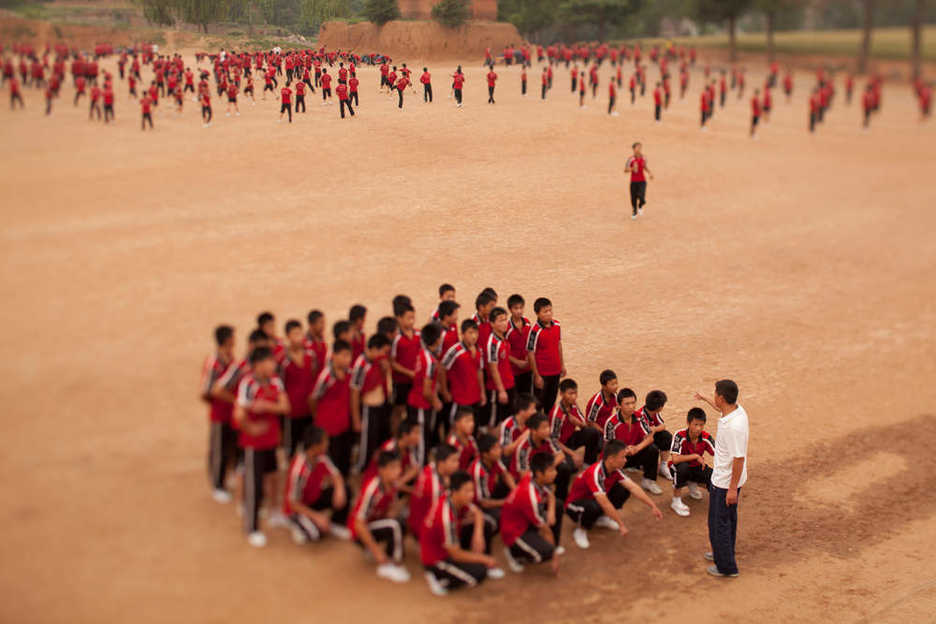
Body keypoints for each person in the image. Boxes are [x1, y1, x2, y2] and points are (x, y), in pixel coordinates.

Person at [234, 346, 290, 547]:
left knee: (274, 476)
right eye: (270, 361)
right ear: (259, 364)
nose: (274, 364)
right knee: (254, 485)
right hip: (253, 445)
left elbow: (285, 407)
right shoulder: (247, 384)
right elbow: (238, 414)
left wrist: (266, 406)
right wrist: (251, 428)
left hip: (271, 440)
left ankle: (275, 512)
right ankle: (252, 527)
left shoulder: (275, 381)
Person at [565, 440, 663, 549]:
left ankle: (601, 518)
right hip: (574, 505)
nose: (625, 460)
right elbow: (605, 503)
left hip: (594, 499)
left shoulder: (616, 470)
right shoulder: (595, 473)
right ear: (611, 459)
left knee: (623, 490)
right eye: (623, 457)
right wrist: (621, 524)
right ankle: (581, 529)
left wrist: (652, 506)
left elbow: (633, 487)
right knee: (594, 507)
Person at [694, 379, 748, 578]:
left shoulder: (733, 427)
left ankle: (726, 566)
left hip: (725, 482)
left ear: (722, 397)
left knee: (719, 522)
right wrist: (705, 398)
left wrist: (732, 489)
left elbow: (739, 458)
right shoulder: (737, 411)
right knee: (727, 519)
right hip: (729, 480)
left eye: (715, 393)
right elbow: (721, 409)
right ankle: (722, 551)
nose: (714, 395)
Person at [420, 471, 502, 596]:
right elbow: (456, 554)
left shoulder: (452, 497)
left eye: (472, 491)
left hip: (449, 543)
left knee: (484, 524)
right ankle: (439, 578)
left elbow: (478, 513)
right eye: (467, 491)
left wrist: (478, 534)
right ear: (455, 491)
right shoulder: (445, 516)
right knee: (478, 575)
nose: (471, 495)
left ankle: (483, 563)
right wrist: (484, 558)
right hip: (437, 558)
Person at [350, 450, 411, 583]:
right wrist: (376, 551)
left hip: (375, 522)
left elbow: (390, 510)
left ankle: (386, 553)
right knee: (394, 524)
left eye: (399, 467)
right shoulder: (373, 489)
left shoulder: (392, 485)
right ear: (382, 470)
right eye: (393, 468)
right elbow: (358, 523)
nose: (398, 471)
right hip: (359, 531)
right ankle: (391, 564)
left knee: (402, 520)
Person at [284, 425, 351, 543]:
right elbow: (293, 503)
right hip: (297, 508)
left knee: (346, 489)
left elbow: (336, 475)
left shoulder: (322, 456)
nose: (328, 443)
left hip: (313, 499)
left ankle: (336, 523)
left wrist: (339, 489)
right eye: (325, 441)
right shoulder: (299, 469)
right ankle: (296, 523)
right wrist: (316, 516)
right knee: (314, 534)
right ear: (315, 445)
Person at [500, 453, 561, 574]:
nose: (555, 473)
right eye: (551, 470)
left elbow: (551, 495)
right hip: (514, 531)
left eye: (554, 469)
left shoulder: (533, 476)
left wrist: (552, 512)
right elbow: (546, 530)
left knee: (558, 505)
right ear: (539, 473)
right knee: (544, 554)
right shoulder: (530, 495)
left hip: (525, 520)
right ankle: (513, 552)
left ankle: (550, 546)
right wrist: (554, 557)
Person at [200, 325, 237, 503]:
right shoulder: (213, 362)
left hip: (231, 413)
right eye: (232, 337)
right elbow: (206, 391)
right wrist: (222, 402)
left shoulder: (229, 357)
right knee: (218, 450)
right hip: (220, 413)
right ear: (227, 339)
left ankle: (227, 476)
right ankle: (217, 484)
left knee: (230, 447)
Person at [308, 339, 355, 476]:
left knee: (344, 458)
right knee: (330, 462)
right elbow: (313, 398)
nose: (348, 359)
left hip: (344, 424)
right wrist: (318, 416)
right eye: (344, 355)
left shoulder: (349, 373)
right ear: (334, 355)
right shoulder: (326, 376)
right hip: (327, 426)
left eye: (349, 355)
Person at [351, 334, 392, 474]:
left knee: (380, 437)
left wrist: (385, 370)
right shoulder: (360, 365)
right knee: (368, 440)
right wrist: (357, 419)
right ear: (374, 349)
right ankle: (362, 466)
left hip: (381, 404)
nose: (384, 355)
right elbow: (354, 393)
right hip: (368, 407)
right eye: (383, 351)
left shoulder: (378, 361)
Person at [441, 319, 484, 437]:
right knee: (454, 428)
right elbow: (442, 369)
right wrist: (444, 391)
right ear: (463, 334)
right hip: (459, 399)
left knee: (472, 428)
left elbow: (479, 371)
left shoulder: (479, 350)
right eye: (470, 333)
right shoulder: (454, 351)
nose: (474, 336)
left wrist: (482, 392)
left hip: (474, 397)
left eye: (476, 333)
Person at [407, 323, 444, 464]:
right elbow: (427, 391)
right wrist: (437, 402)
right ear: (436, 340)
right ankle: (421, 469)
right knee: (421, 440)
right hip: (421, 405)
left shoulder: (424, 354)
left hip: (417, 403)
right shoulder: (430, 361)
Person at [280, 319, 317, 458]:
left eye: (300, 333)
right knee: (291, 449)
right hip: (292, 412)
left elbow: (312, 377)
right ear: (288, 337)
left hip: (308, 409)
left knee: (309, 446)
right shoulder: (283, 361)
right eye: (295, 334)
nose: (299, 337)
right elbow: (280, 386)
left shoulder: (310, 355)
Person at [669, 407, 715, 517]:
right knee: (683, 468)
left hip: (696, 467)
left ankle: (692, 482)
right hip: (678, 467)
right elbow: (675, 459)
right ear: (688, 423)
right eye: (696, 424)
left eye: (701, 425)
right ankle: (676, 501)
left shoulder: (706, 437)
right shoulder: (679, 436)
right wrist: (695, 456)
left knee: (713, 476)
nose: (699, 428)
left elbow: (718, 453)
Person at [408, 443, 460, 540]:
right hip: (424, 528)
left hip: (421, 519)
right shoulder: (432, 485)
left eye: (457, 460)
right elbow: (435, 515)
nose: (457, 464)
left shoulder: (432, 467)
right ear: (441, 463)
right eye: (453, 461)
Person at [525, 297, 564, 414]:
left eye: (550, 310)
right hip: (542, 374)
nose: (549, 314)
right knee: (538, 403)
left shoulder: (557, 325)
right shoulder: (535, 331)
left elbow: (558, 344)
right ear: (537, 313)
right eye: (545, 311)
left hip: (555, 372)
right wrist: (536, 375)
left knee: (551, 402)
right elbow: (530, 353)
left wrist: (562, 365)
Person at [483, 307, 515, 428]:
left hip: (509, 384)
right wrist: (501, 390)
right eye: (500, 320)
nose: (504, 323)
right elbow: (493, 368)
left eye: (505, 319)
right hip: (497, 390)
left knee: (507, 419)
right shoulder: (492, 343)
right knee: (495, 422)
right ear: (492, 323)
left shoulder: (503, 338)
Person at [390, 302, 420, 430]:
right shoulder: (396, 338)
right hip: (401, 381)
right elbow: (392, 363)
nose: (412, 321)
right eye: (409, 318)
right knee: (399, 410)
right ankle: (396, 435)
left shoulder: (418, 335)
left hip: (414, 380)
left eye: (413, 318)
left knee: (413, 408)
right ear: (400, 319)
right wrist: (408, 373)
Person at [635, 389, 673, 480]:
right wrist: (651, 432)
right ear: (659, 407)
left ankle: (663, 465)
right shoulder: (640, 415)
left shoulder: (654, 413)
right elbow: (643, 437)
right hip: (639, 444)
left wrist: (654, 429)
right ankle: (641, 464)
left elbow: (663, 426)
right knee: (652, 448)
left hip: (649, 437)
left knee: (666, 436)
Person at [625, 142, 654, 220]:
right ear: (634, 149)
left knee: (641, 196)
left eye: (640, 148)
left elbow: (644, 166)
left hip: (642, 181)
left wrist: (650, 173)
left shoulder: (644, 158)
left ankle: (640, 205)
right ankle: (634, 211)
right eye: (637, 148)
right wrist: (632, 169)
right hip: (633, 181)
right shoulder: (631, 159)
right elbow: (625, 169)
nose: (639, 149)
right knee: (633, 197)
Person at [446, 407, 479, 471]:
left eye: (472, 421)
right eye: (467, 421)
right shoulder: (452, 442)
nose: (472, 424)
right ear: (457, 424)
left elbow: (477, 459)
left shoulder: (471, 439)